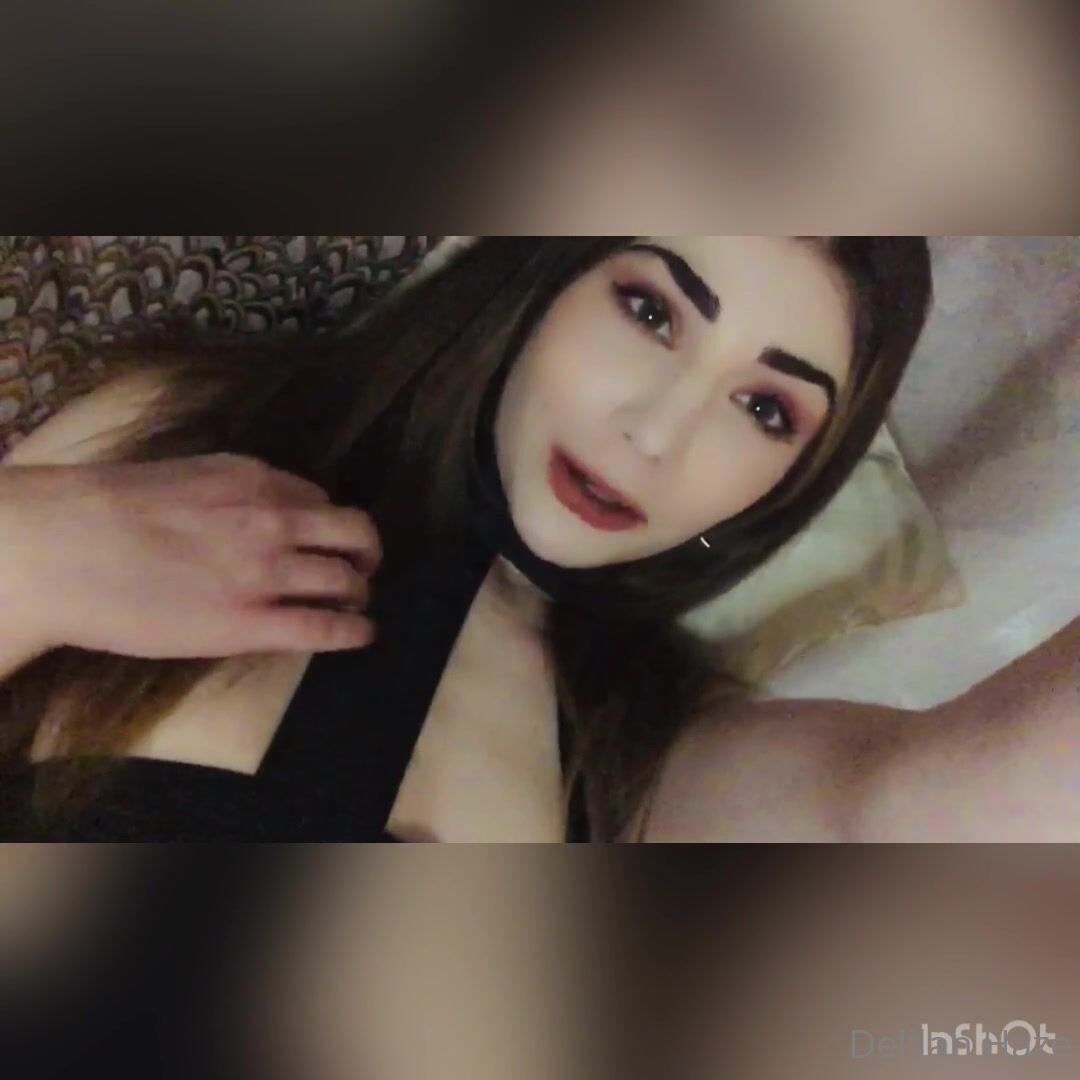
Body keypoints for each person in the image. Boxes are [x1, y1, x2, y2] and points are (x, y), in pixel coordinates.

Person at [0, 236, 932, 841]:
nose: (656, 434)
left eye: (765, 409)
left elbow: (919, 800)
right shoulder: (193, 428)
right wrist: (27, 556)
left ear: (789, 484)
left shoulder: (650, 751)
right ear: (549, 275)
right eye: (651, 313)